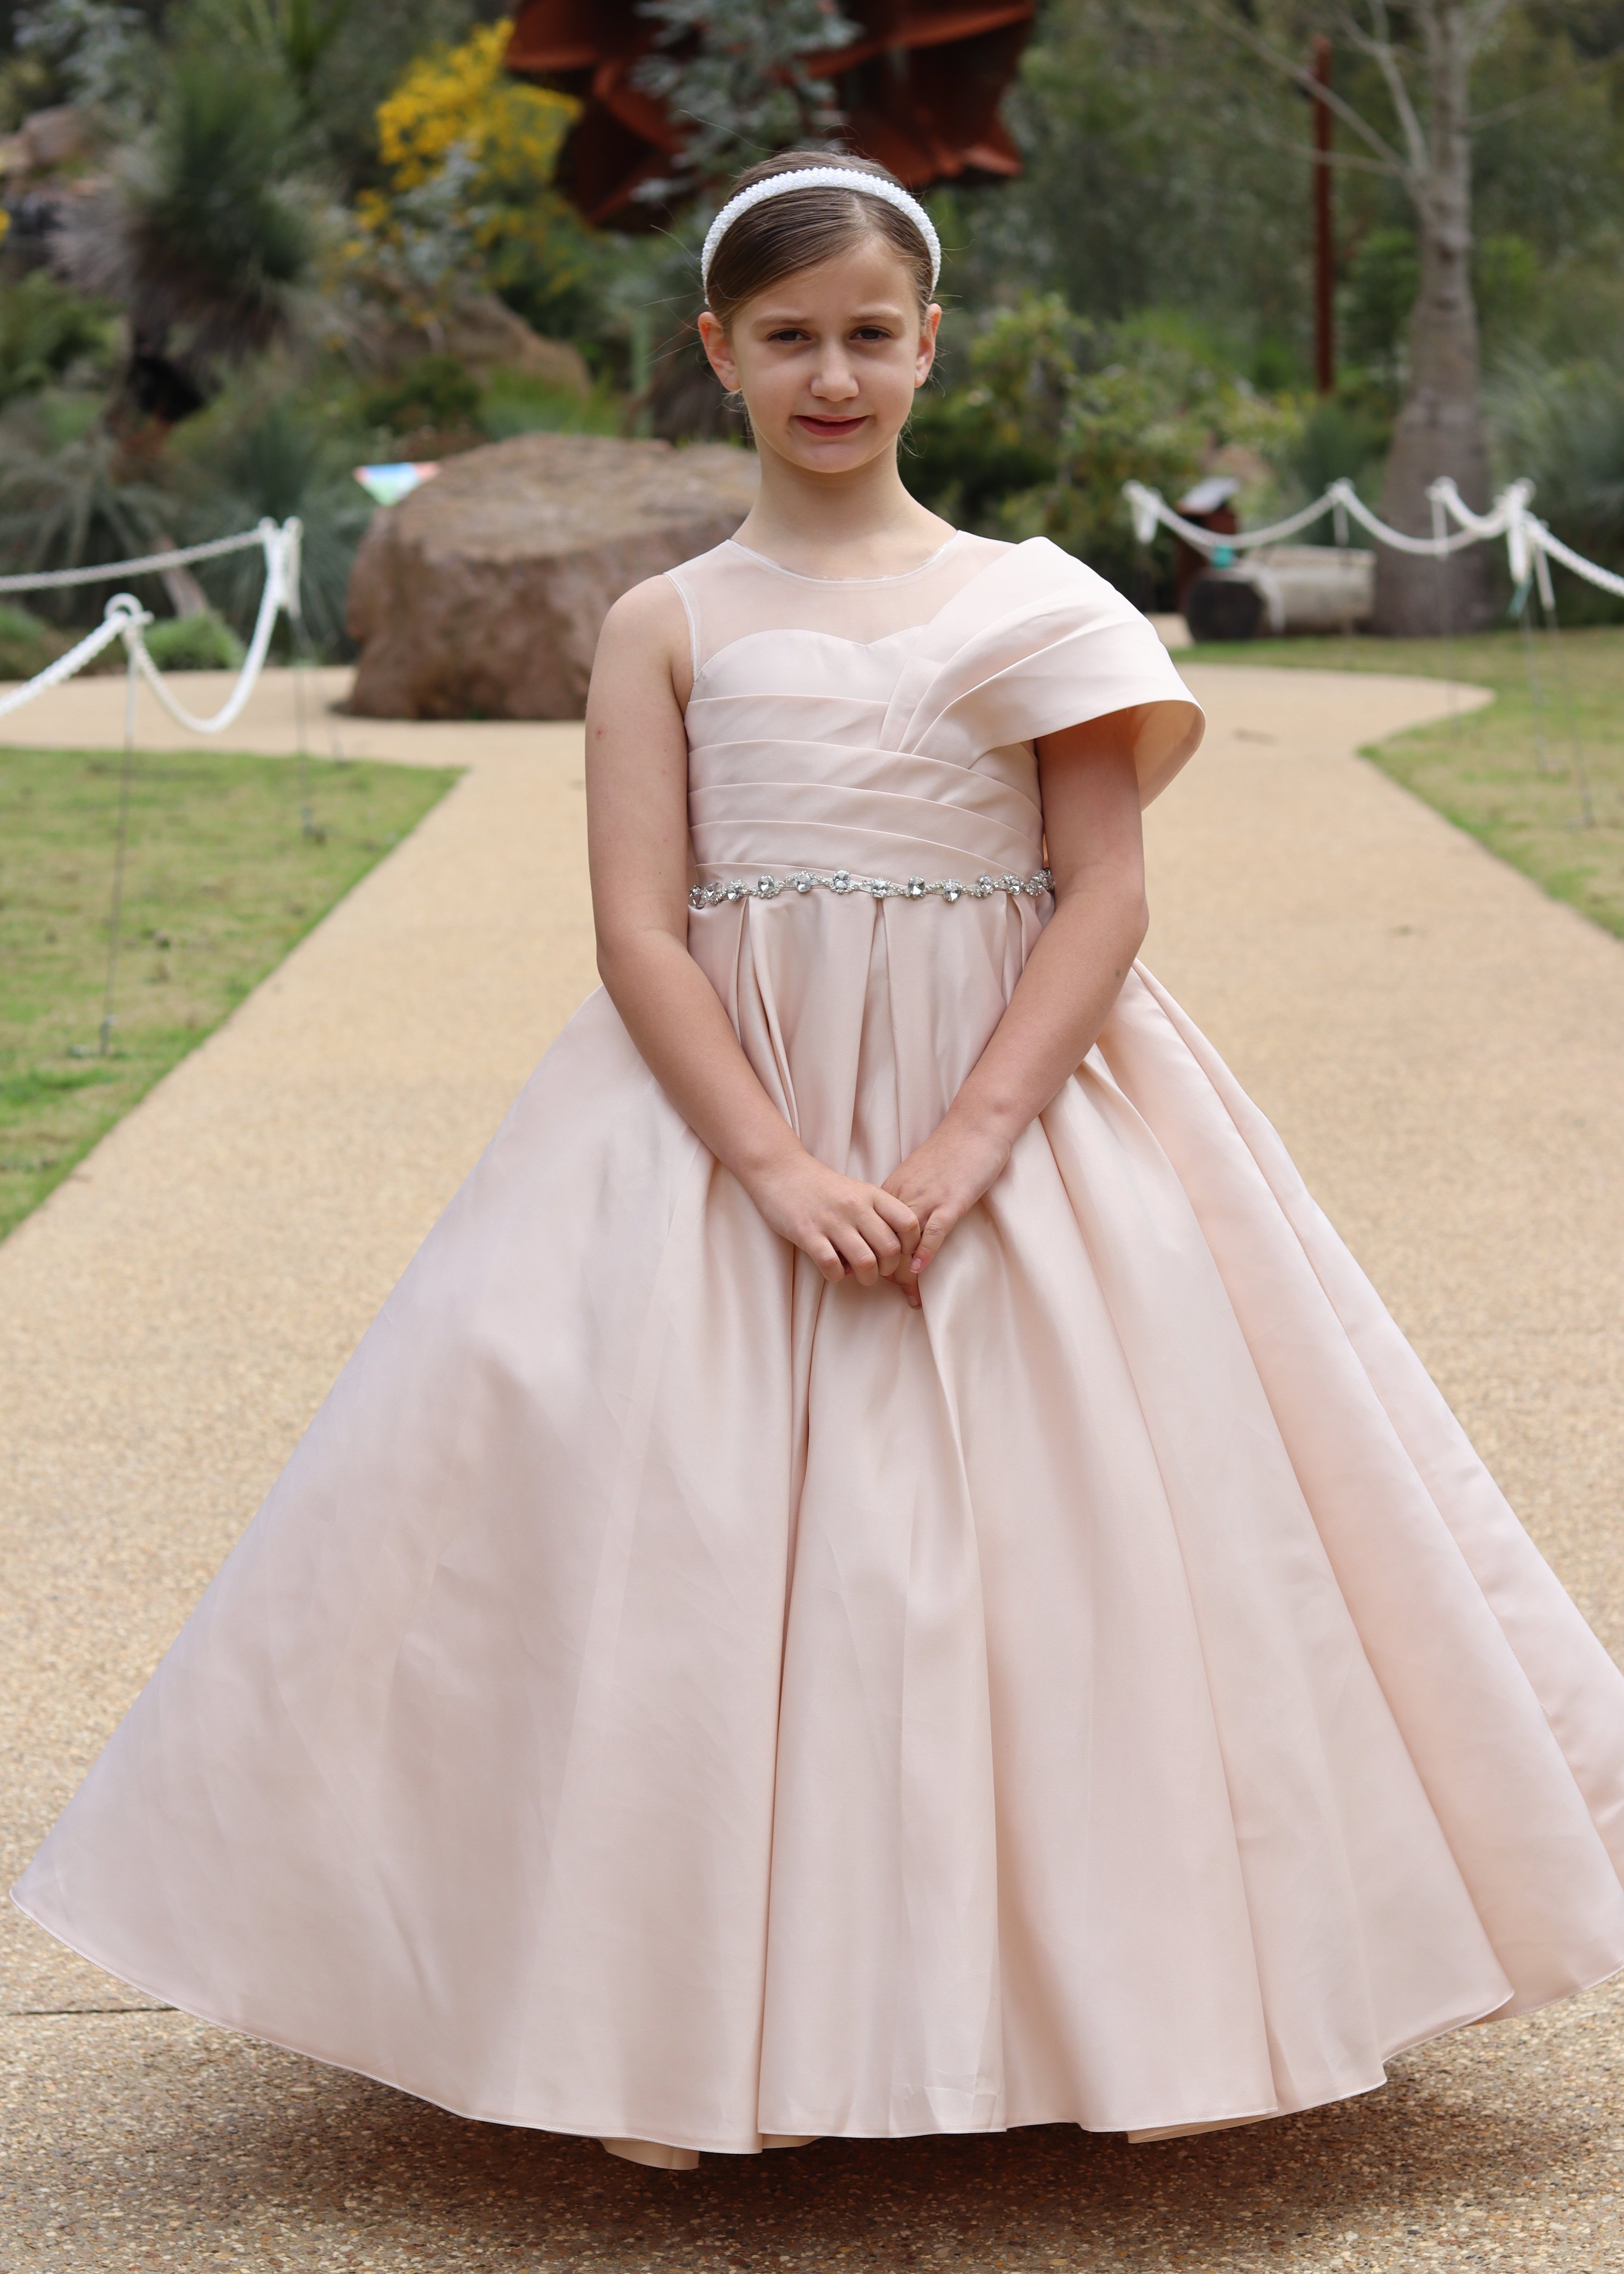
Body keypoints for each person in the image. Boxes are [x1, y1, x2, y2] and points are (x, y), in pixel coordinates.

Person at [15, 152, 1624, 2172]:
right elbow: (635, 928)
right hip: (720, 1113)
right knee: (665, 1559)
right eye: (790, 338)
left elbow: (1103, 894)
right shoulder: (667, 623)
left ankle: (1105, 1998)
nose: (834, 373)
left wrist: (967, 1139)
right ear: (720, 353)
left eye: (871, 333)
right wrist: (771, 1162)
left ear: (927, 341)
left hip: (1015, 1105)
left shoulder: (1036, 596)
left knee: (1087, 1550)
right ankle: (652, 2035)